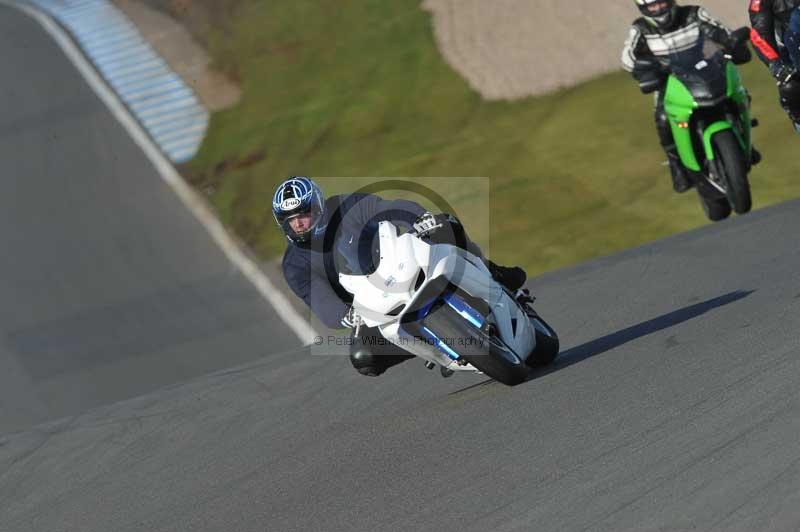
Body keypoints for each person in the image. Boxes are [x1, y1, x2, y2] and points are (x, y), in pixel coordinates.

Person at [273, 176, 528, 377]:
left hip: (400, 260)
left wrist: (420, 218)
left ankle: (493, 272)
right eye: (290, 220)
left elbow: (387, 208)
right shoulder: (294, 264)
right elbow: (318, 299)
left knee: (445, 224)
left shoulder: (346, 205)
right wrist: (345, 316)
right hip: (369, 305)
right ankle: (435, 349)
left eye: (303, 214)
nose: (298, 224)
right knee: (364, 357)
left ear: (317, 205)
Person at [621, 1, 742, 192]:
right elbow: (628, 58)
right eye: (653, 6)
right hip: (671, 83)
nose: (659, 9)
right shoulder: (640, 29)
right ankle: (677, 167)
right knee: (662, 119)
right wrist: (647, 68)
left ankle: (742, 138)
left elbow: (720, 31)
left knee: (739, 94)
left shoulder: (693, 14)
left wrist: (730, 43)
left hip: (706, 72)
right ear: (644, 9)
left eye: (662, 2)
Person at [749, 0, 800, 134]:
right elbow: (759, 35)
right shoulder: (759, 2)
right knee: (790, 89)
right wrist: (776, 65)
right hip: (794, 53)